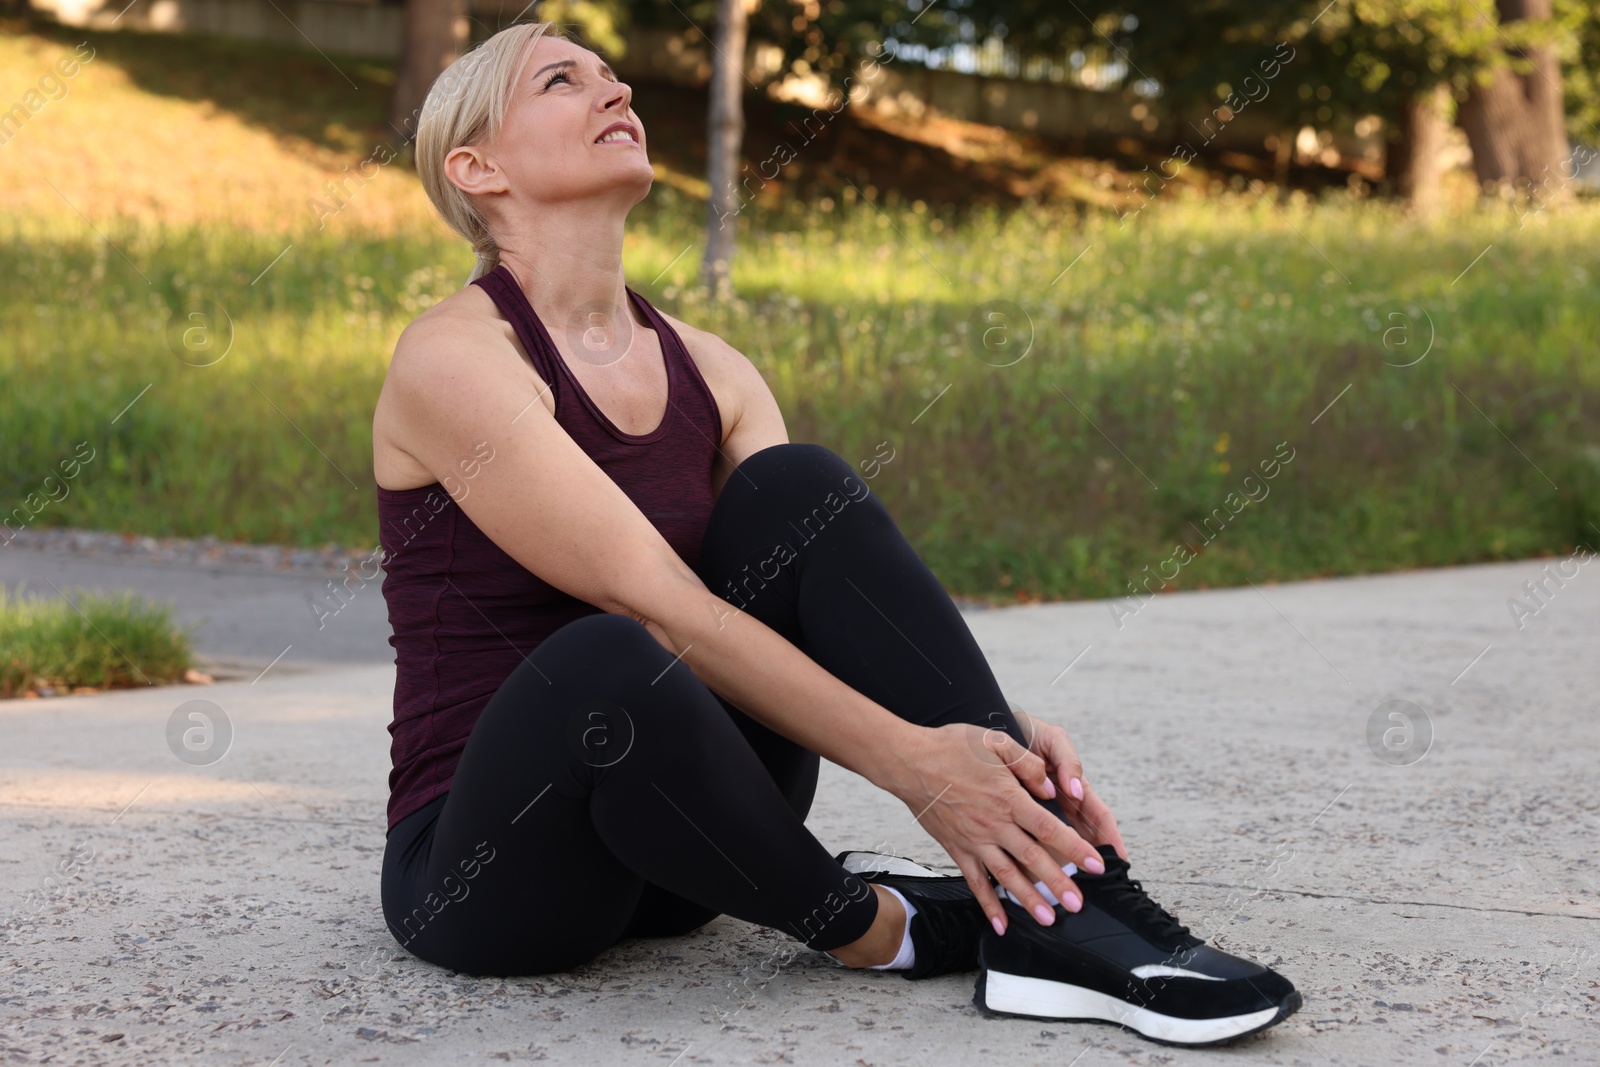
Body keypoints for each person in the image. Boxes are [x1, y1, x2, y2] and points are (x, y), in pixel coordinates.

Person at [369, 20, 1301, 1047]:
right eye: (561, 77)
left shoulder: (712, 368)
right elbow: (655, 600)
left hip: (693, 851)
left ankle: (1070, 900)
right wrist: (917, 765)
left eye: (610, 72)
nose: (612, 87)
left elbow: (828, 600)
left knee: (793, 486)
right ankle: (869, 924)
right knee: (607, 656)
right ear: (476, 166)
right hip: (500, 873)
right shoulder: (453, 359)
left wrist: (996, 743)